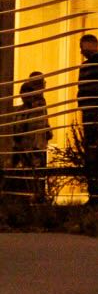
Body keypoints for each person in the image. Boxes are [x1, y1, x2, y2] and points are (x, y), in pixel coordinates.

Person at [76, 33, 98, 204]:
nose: (81, 50)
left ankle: (95, 193)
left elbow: (83, 92)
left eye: (82, 46)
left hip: (94, 114)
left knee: (93, 152)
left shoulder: (92, 66)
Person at [12, 70, 52, 198]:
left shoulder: (40, 103)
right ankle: (35, 196)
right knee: (32, 175)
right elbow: (20, 128)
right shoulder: (33, 106)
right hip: (30, 147)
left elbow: (44, 121)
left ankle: (38, 196)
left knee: (37, 175)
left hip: (37, 145)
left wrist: (48, 131)